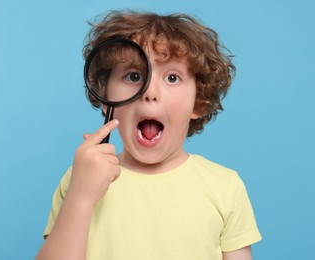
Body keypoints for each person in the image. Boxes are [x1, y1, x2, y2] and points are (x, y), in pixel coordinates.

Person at [36, 10, 262, 260]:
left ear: (198, 103)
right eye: (134, 76)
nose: (150, 92)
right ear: (107, 97)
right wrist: (81, 196)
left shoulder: (225, 187)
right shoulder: (79, 180)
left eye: (172, 78)